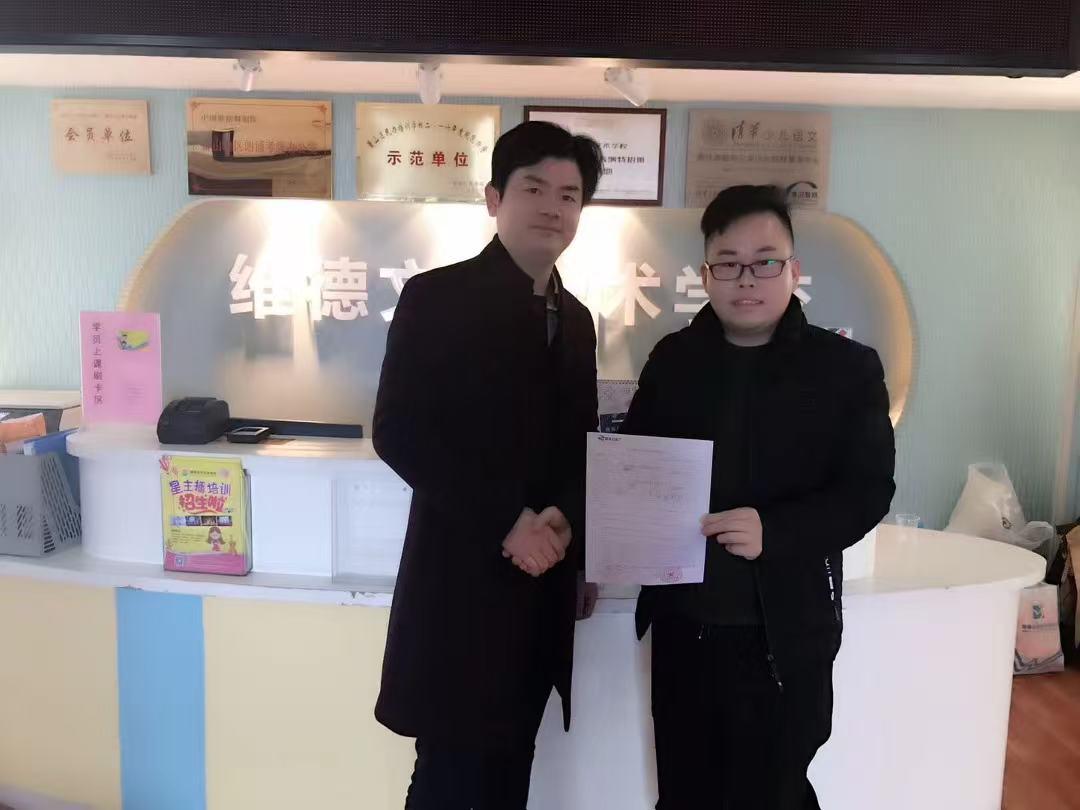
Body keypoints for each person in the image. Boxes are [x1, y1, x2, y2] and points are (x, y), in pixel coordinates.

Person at [621, 184, 896, 809]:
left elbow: (868, 489)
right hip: (685, 625)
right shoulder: (674, 360)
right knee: (684, 794)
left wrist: (778, 530)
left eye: (766, 261)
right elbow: (634, 466)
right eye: (728, 263)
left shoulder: (846, 368)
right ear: (705, 275)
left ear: (794, 270)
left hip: (787, 628)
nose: (747, 278)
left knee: (775, 794)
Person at [372, 120, 603, 809]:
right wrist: (508, 521)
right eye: (534, 188)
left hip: (541, 588)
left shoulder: (578, 320)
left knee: (509, 774)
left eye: (569, 195)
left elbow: (581, 444)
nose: (552, 207)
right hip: (460, 584)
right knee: (448, 776)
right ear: (494, 199)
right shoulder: (436, 298)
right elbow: (400, 430)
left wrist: (573, 536)